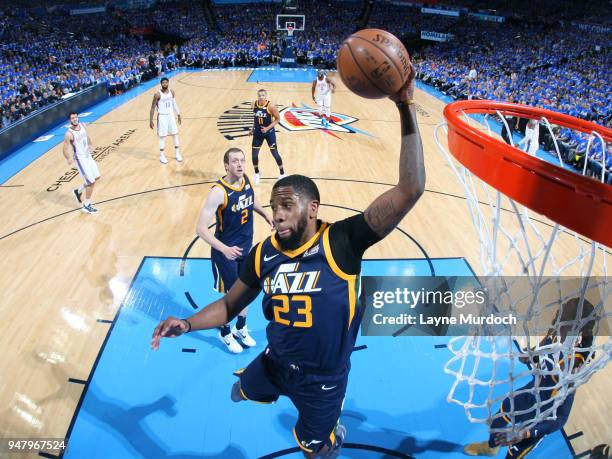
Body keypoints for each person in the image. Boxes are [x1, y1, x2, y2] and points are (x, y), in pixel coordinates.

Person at [151, 65, 425, 458]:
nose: (276, 214)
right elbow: (230, 304)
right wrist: (188, 323)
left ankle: (332, 436)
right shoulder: (265, 253)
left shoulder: (343, 240)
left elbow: (411, 188)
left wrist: (405, 105)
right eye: (275, 206)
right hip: (274, 361)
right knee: (237, 391)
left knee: (317, 451)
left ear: (312, 209)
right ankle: (260, 386)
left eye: (286, 205)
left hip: (322, 383)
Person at [464, 298, 596, 458]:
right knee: (498, 419)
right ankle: (491, 448)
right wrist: (530, 356)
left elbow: (561, 419)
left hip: (543, 416)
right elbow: (540, 351)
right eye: (559, 314)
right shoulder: (553, 335)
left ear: (576, 329)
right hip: (530, 394)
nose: (556, 319)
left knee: (513, 453)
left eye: (562, 317)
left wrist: (525, 434)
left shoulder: (572, 366)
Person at [195, 147, 273, 353]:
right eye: (235, 161)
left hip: (245, 249)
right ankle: (224, 332)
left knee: (245, 292)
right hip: (225, 254)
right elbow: (200, 229)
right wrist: (225, 249)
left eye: (242, 160)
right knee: (233, 296)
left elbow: (250, 199)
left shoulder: (245, 179)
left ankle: (240, 328)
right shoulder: (218, 192)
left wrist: (265, 214)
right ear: (226, 165)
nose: (239, 164)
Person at [62, 112, 100, 214]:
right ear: (70, 120)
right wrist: (68, 158)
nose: (74, 119)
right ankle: (86, 205)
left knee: (96, 177)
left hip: (88, 156)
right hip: (80, 159)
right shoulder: (69, 134)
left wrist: (90, 144)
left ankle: (77, 191)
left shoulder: (83, 125)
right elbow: (64, 148)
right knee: (91, 182)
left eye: (75, 117)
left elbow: (86, 136)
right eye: (72, 118)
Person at [249, 89, 285, 184]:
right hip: (257, 133)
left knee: (275, 154)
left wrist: (267, 128)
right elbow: (256, 118)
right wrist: (252, 128)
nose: (261, 97)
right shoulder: (254, 104)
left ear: (266, 96)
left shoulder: (271, 106)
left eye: (263, 95)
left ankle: (282, 173)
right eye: (259, 95)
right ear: (257, 96)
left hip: (269, 133)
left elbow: (278, 119)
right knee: (254, 155)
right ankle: (257, 174)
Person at [149, 77, 182, 164]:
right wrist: (150, 120)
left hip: (171, 115)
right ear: (161, 84)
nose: (164, 84)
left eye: (166, 82)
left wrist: (178, 114)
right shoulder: (157, 94)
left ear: (168, 83)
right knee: (162, 136)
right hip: (162, 117)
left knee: (175, 134)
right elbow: (152, 107)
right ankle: (162, 156)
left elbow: (174, 103)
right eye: (163, 83)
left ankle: (177, 154)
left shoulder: (172, 92)